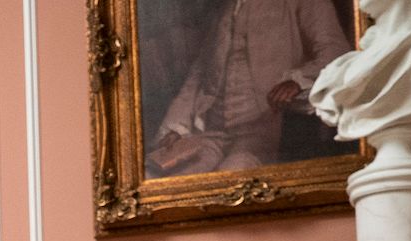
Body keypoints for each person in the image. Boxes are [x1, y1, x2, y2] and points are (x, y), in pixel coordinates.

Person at [147, 0, 353, 176]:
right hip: (212, 133)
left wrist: (298, 82)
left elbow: (336, 52)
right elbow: (199, 75)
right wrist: (175, 128)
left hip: (266, 130)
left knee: (229, 180)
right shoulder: (226, 9)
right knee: (170, 179)